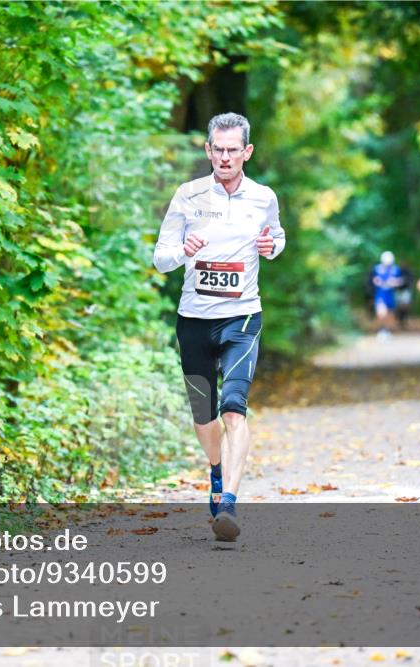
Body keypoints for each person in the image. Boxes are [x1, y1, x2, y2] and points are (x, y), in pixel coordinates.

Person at [152, 112, 285, 541]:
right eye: (218, 149)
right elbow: (160, 257)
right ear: (208, 150)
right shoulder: (187, 195)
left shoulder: (263, 197)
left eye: (233, 150)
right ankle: (215, 468)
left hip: (242, 317)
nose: (225, 157)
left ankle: (228, 501)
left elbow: (277, 238)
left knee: (233, 407)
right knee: (204, 416)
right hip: (193, 320)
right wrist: (181, 250)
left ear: (247, 151)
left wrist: (271, 246)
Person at [371, 251, 404, 339]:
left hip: (391, 294)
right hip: (381, 294)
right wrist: (377, 281)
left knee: (389, 314)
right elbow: (373, 279)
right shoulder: (377, 269)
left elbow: (400, 280)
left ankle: (387, 330)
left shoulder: (395, 269)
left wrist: (395, 282)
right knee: (381, 313)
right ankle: (382, 329)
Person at [394, 264, 413, 330]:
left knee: (405, 306)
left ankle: (404, 320)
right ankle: (400, 320)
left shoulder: (408, 272)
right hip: (399, 291)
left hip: (405, 291)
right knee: (399, 307)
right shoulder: (397, 271)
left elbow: (410, 281)